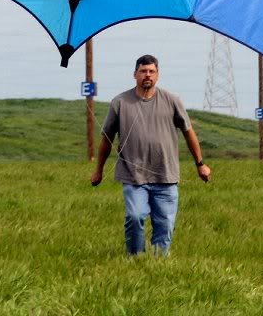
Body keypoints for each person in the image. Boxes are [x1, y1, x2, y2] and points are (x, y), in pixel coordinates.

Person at [90, 54, 211, 256]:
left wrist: (200, 164)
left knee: (165, 224)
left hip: (166, 175)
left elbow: (188, 132)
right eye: (143, 71)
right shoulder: (120, 103)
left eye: (152, 71)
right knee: (135, 217)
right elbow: (106, 139)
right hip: (133, 176)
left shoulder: (172, 100)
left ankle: (157, 264)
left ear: (158, 75)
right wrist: (98, 171)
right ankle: (135, 258)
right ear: (135, 74)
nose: (147, 75)